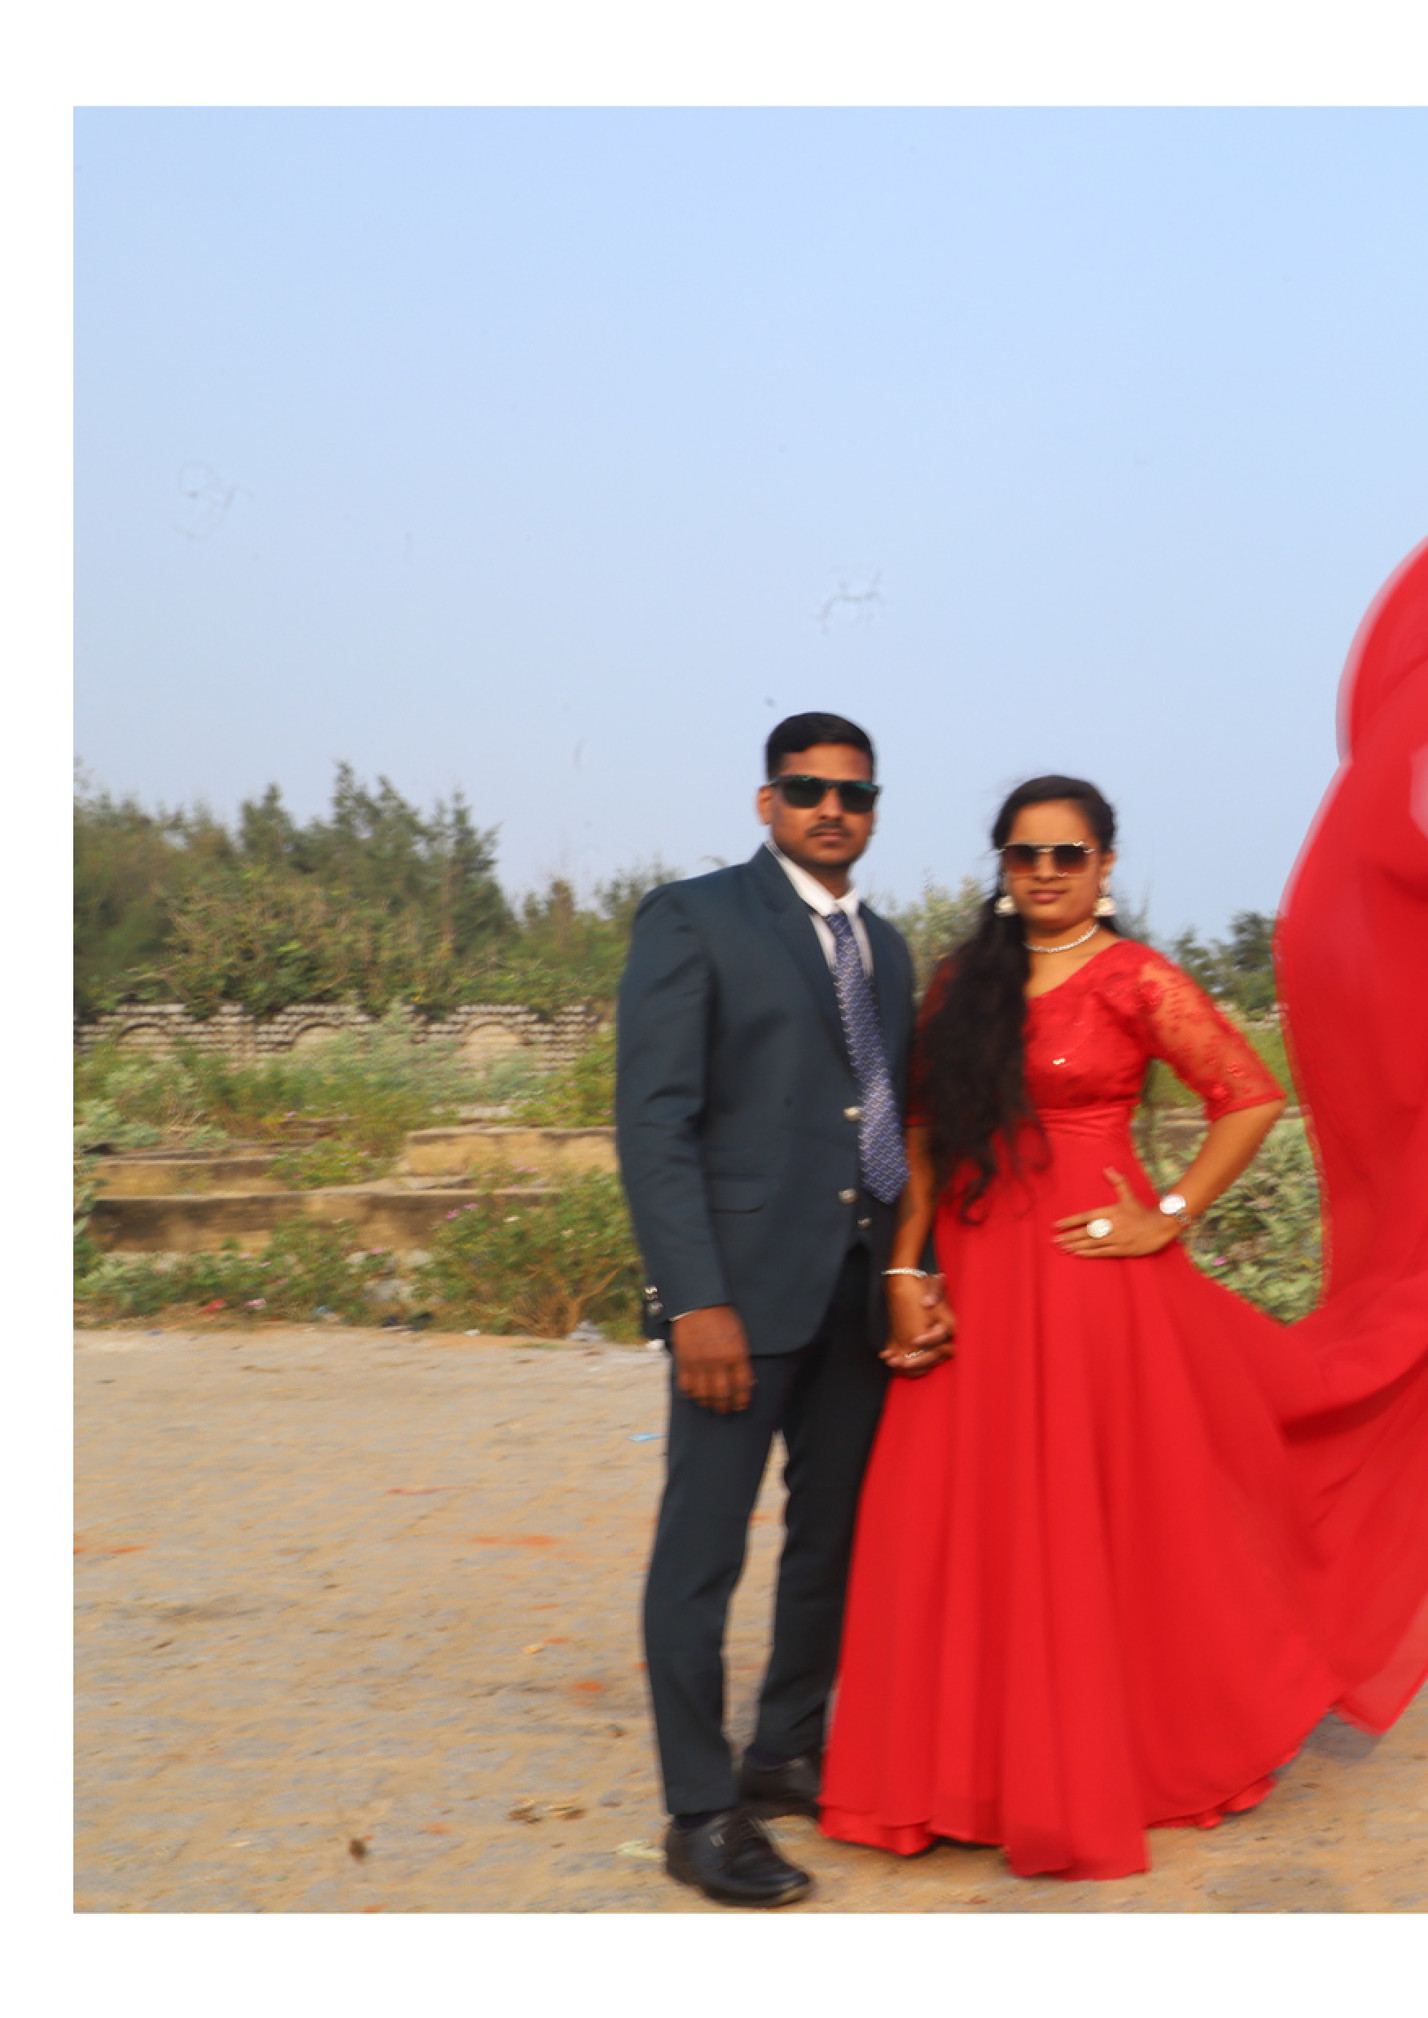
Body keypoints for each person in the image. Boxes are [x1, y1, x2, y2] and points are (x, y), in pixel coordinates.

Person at [821, 698, 1428, 1874]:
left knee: (1096, 1510)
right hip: (979, 1275)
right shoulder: (965, 983)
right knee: (959, 1514)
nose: (1046, 871)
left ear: (1104, 866)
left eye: (1069, 853)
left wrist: (1171, 1212)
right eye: (1025, 854)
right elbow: (928, 1138)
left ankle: (1106, 1755)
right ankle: (956, 1772)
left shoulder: (1139, 977)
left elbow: (1249, 1095)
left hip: (1095, 1274)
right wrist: (904, 1265)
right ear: (1003, 868)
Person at [615, 711, 952, 1907]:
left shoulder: (888, 948)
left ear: (874, 810)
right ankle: (700, 1808)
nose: (831, 808)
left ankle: (786, 1748)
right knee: (700, 1552)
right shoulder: (695, 917)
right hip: (737, 1300)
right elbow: (654, 1121)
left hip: (855, 1296)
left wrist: (910, 1272)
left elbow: (889, 1120)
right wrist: (692, 1297)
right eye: (807, 788)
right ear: (768, 801)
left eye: (853, 793)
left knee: (832, 1538)